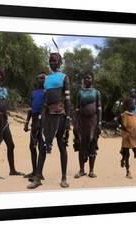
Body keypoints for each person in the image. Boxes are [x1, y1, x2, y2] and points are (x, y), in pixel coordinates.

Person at [27, 52, 71, 189]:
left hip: (61, 114)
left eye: (54, 60)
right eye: (50, 61)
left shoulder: (64, 77)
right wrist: (40, 117)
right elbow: (45, 100)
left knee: (62, 146)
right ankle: (38, 178)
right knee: (42, 146)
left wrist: (68, 119)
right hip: (47, 114)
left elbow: (68, 100)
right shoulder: (47, 79)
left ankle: (64, 178)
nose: (52, 63)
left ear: (60, 62)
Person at [73, 71, 102, 179]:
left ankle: (91, 171)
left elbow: (99, 108)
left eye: (89, 78)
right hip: (82, 123)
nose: (87, 80)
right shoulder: (80, 92)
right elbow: (76, 108)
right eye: (85, 78)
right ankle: (81, 170)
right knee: (81, 145)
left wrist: (99, 123)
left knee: (92, 145)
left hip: (93, 122)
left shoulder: (96, 93)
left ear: (92, 79)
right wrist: (75, 122)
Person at [23, 73, 46, 182]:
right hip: (34, 121)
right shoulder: (33, 93)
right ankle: (34, 171)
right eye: (39, 78)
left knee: (42, 147)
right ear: (36, 80)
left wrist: (41, 119)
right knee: (32, 146)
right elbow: (30, 108)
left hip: (43, 122)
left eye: (43, 78)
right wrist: (27, 122)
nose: (41, 80)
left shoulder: (47, 92)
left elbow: (45, 107)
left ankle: (39, 173)